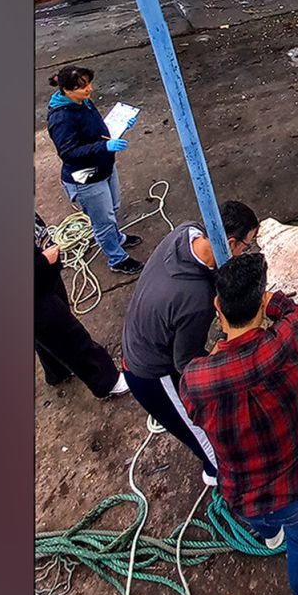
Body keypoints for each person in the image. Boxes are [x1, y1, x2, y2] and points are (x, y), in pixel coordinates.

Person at [178, 253, 298, 595]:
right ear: (260, 305)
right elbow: (295, 314)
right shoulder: (282, 345)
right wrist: (274, 302)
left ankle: (269, 536)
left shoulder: (196, 379)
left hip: (243, 491)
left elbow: (193, 410)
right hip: (295, 483)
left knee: (264, 520)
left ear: (217, 306)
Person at [120, 202, 261, 486]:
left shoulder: (186, 232)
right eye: (247, 246)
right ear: (230, 242)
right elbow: (186, 363)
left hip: (139, 335)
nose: (248, 252)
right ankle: (219, 477)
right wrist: (226, 360)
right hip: (151, 372)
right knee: (204, 435)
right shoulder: (196, 298)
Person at [46, 65, 144, 275]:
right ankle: (116, 259)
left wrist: (120, 125)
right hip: (85, 177)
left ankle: (117, 239)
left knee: (113, 207)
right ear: (67, 90)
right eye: (82, 87)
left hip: (104, 166)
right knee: (103, 220)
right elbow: (68, 153)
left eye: (88, 83)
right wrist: (104, 146)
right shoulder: (61, 118)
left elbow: (95, 130)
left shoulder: (83, 102)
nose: (89, 89)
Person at [35, 212, 129, 398]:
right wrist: (44, 262)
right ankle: (108, 381)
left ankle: (57, 371)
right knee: (67, 334)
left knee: (47, 335)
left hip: (44, 276)